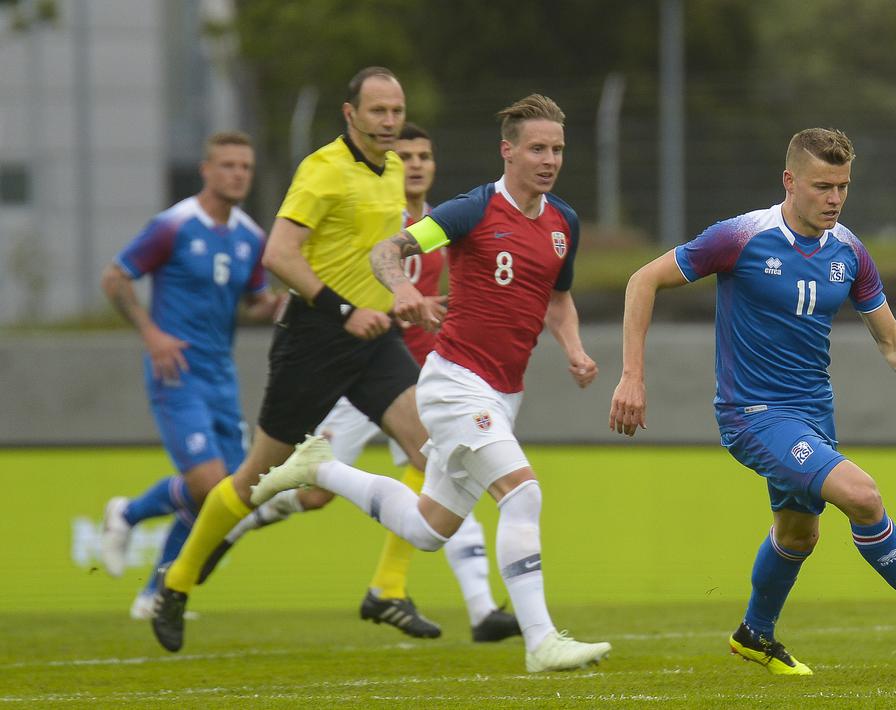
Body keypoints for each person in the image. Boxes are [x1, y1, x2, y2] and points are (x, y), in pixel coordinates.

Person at [250, 94, 612, 673]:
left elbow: (559, 298)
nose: (550, 159)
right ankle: (541, 641)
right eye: (538, 148)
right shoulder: (471, 210)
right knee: (524, 494)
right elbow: (387, 250)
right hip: (454, 384)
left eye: (558, 149)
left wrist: (574, 348)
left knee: (427, 528)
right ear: (508, 151)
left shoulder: (562, 221)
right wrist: (401, 289)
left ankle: (319, 468)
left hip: (503, 393)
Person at [609, 128, 896, 675]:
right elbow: (642, 281)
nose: (834, 198)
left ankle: (754, 634)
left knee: (797, 534)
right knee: (862, 495)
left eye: (843, 186)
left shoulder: (850, 251)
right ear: (790, 181)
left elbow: (889, 338)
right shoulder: (740, 237)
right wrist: (632, 377)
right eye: (822, 186)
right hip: (754, 415)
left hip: (813, 413)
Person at [149, 67, 448, 652]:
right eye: (378, 112)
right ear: (350, 113)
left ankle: (387, 588)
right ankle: (176, 582)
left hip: (375, 339)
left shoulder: (390, 172)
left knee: (433, 450)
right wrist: (342, 310)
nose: (389, 123)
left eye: (396, 111)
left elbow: (374, 256)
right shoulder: (322, 169)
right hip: (314, 336)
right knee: (254, 476)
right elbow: (279, 254)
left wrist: (403, 299)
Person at [206, 123, 519, 643]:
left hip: (410, 378)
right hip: (356, 371)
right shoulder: (379, 216)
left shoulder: (439, 224)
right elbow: (350, 275)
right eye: (407, 155)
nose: (416, 164)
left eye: (426, 155)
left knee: (447, 472)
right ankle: (234, 525)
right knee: (311, 495)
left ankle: (469, 607)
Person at [98, 131, 277, 619]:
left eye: (245, 166)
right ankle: (128, 513)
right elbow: (115, 278)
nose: (238, 173)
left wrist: (283, 304)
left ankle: (153, 594)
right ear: (206, 170)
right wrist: (152, 334)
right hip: (177, 372)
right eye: (227, 165)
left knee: (229, 496)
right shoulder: (173, 226)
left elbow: (256, 301)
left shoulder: (250, 236)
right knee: (208, 484)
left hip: (222, 377)